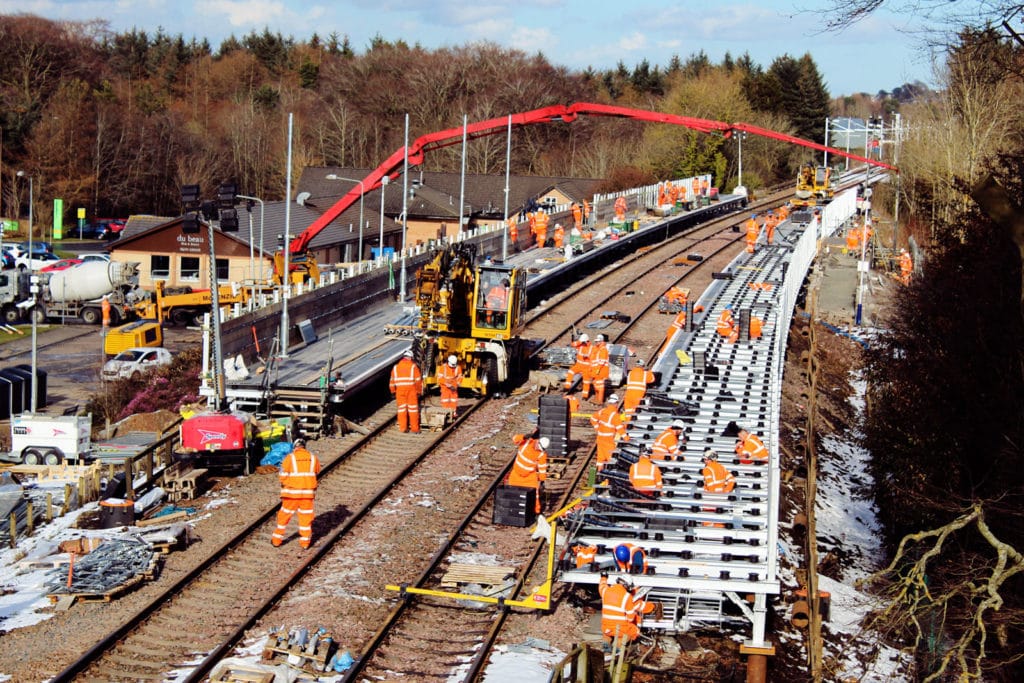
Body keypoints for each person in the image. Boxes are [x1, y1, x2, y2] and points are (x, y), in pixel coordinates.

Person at [272, 438, 322, 549]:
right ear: (305, 447)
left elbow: (282, 475)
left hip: (291, 494)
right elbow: (317, 471)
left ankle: (276, 540)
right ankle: (305, 543)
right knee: (306, 517)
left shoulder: (290, 458)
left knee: (284, 516)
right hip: (307, 495)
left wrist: (286, 484)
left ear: (295, 447)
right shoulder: (313, 458)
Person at [597, 574, 655, 643]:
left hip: (606, 627)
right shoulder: (627, 597)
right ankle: (618, 650)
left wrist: (604, 577)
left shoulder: (605, 591)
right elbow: (630, 618)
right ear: (627, 586)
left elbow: (602, 585)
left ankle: (606, 649)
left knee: (606, 634)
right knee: (633, 632)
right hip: (620, 629)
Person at [509, 432, 549, 513]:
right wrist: (523, 436)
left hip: (529, 476)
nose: (539, 449)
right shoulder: (527, 442)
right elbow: (514, 439)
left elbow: (542, 467)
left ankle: (536, 512)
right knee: (512, 493)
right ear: (538, 442)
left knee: (535, 495)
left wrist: (542, 480)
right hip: (516, 474)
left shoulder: (542, 454)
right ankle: (512, 510)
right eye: (539, 447)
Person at [389, 349, 423, 433]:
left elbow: (392, 381)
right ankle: (415, 429)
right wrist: (419, 391)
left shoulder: (395, 367)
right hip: (411, 390)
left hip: (399, 391)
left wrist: (393, 391)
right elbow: (418, 381)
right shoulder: (413, 367)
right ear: (410, 357)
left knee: (401, 409)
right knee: (413, 410)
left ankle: (403, 428)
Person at [590, 394, 627, 470]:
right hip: (608, 440)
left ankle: (599, 474)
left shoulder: (602, 411)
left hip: (600, 439)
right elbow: (620, 428)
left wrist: (598, 428)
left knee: (600, 459)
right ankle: (607, 477)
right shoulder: (615, 415)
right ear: (616, 403)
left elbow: (593, 418)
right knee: (611, 459)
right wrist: (626, 438)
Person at [438, 354, 463, 419]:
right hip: (445, 387)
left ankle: (453, 413)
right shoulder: (443, 367)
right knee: (445, 400)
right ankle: (445, 412)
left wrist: (457, 384)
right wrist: (447, 384)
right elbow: (440, 378)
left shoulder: (458, 367)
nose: (452, 367)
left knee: (453, 400)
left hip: (453, 387)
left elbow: (460, 377)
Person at [588, 334, 611, 404]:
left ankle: (600, 400)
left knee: (600, 386)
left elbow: (602, 361)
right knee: (596, 384)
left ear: (601, 341)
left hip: (601, 371)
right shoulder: (598, 349)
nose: (596, 343)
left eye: (598, 341)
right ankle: (597, 398)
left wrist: (598, 369)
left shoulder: (603, 349)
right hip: (596, 370)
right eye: (596, 341)